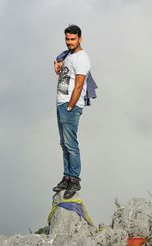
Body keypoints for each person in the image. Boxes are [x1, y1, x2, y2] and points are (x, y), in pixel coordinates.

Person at [52, 25, 91, 199]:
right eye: (67, 39)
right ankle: (67, 177)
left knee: (71, 144)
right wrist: (58, 69)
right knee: (64, 143)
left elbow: (79, 84)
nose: (69, 42)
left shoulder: (82, 58)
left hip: (70, 105)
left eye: (73, 39)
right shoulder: (69, 56)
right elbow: (67, 77)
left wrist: (71, 105)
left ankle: (74, 179)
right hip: (61, 103)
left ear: (80, 39)